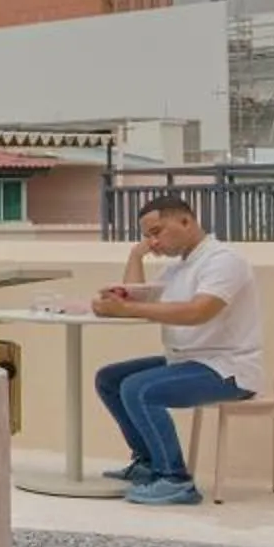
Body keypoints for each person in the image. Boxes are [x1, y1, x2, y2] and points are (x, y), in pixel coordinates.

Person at [88, 194, 264, 507]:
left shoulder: (223, 260)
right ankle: (147, 463)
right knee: (110, 379)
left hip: (226, 369)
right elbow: (139, 301)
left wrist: (127, 309)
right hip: (186, 362)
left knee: (138, 388)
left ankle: (175, 479)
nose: (153, 242)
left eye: (157, 232)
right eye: (147, 236)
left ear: (186, 221)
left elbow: (199, 311)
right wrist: (135, 259)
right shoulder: (177, 268)